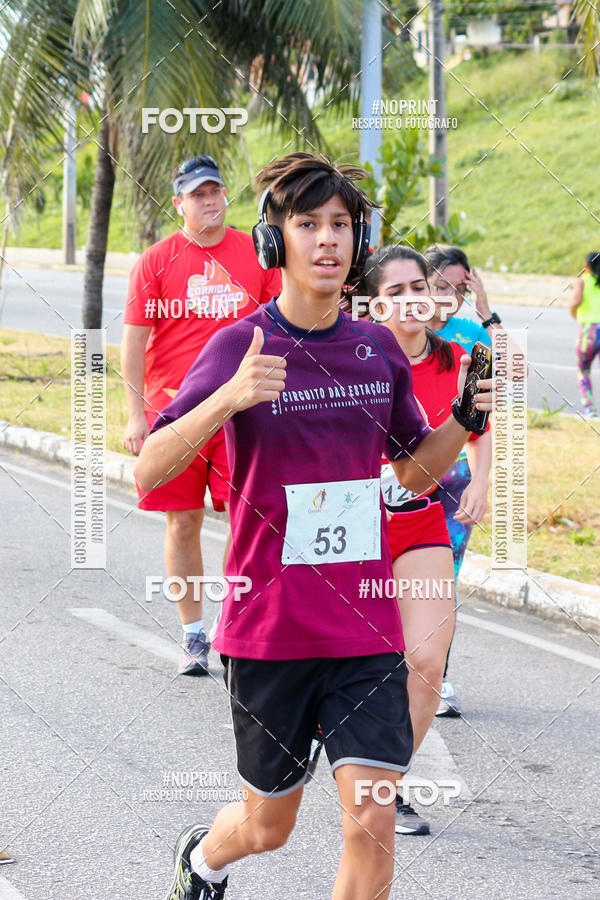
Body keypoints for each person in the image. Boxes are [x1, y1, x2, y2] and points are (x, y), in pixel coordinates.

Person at [134, 152, 494, 900]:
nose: (327, 240)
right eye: (308, 224)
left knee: (372, 820)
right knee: (269, 827)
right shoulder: (241, 347)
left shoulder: (376, 353)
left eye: (341, 225)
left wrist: (463, 421)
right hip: (270, 628)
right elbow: (150, 471)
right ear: (276, 241)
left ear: (358, 242)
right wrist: (229, 399)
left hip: (364, 629)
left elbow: (412, 476)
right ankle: (204, 858)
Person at [121, 155, 281, 675]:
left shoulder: (254, 253)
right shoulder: (156, 260)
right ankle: (194, 632)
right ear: (179, 204)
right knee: (183, 522)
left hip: (242, 410)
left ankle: (235, 623)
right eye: (197, 194)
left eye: (214, 191)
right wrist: (134, 416)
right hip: (176, 413)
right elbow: (134, 341)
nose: (208, 200)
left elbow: (279, 324)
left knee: (247, 518)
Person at [362, 245, 491, 836]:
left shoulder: (458, 356)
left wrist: (482, 481)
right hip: (350, 528)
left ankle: (387, 784)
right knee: (355, 662)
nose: (412, 301)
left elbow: (476, 426)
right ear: (371, 302)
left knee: (427, 660)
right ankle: (340, 747)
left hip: (419, 519)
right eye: (396, 292)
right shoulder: (350, 356)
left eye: (420, 287)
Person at [423, 245, 497, 716]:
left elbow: (506, 382)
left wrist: (481, 482)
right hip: (395, 476)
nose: (447, 297)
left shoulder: (470, 334)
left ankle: (438, 677)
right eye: (438, 287)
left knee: (442, 581)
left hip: (453, 480)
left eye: (458, 288)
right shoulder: (394, 332)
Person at [570, 251, 600, 419]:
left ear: (587, 266)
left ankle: (590, 409)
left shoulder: (581, 281)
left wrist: (573, 312)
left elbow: (576, 301)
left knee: (583, 369)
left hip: (588, 331)